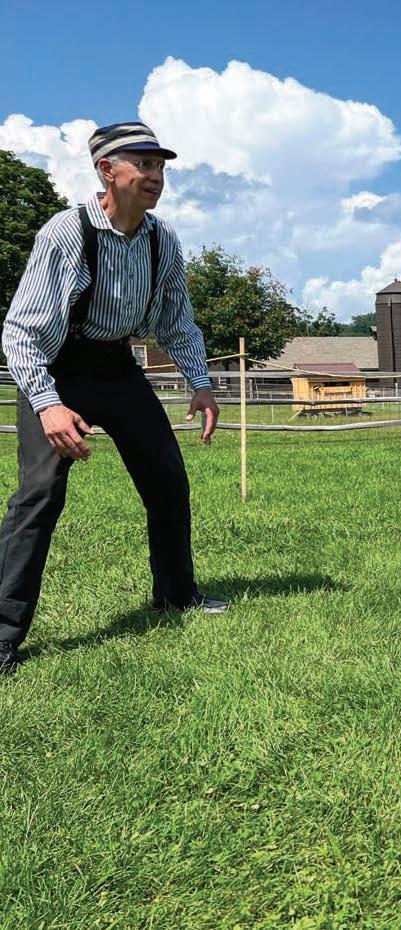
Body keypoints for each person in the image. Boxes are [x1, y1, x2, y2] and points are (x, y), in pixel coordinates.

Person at [0, 121, 227, 676]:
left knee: (167, 480)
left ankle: (176, 595)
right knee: (40, 493)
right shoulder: (66, 232)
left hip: (117, 369)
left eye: (160, 167)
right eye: (143, 165)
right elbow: (21, 332)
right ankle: (2, 634)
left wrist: (200, 383)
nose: (156, 176)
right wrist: (48, 405)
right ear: (107, 170)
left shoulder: (161, 239)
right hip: (56, 368)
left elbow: (176, 320)